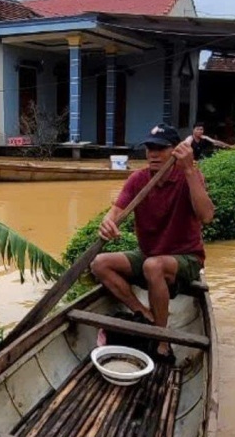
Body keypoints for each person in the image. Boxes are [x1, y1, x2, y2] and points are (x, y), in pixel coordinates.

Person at [91, 123, 215, 362]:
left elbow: (207, 216)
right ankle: (144, 313)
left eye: (160, 148)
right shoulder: (139, 179)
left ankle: (161, 341)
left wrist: (189, 170)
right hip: (149, 254)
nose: (153, 154)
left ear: (175, 151)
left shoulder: (188, 176)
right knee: (99, 263)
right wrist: (108, 222)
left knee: (153, 267)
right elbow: (116, 210)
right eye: (149, 148)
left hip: (185, 258)